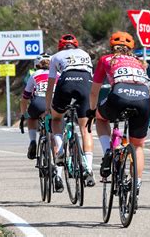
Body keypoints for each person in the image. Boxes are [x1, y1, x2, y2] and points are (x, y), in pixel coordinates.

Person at [88, 31, 150, 197]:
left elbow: (94, 92)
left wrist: (92, 111)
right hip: (143, 99)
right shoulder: (140, 62)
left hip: (119, 96)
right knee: (138, 146)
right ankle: (136, 183)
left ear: (112, 47)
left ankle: (109, 150)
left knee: (100, 119)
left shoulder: (106, 60)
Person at [45, 33, 95, 189]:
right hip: (85, 83)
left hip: (66, 82)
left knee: (57, 119)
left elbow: (51, 84)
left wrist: (48, 107)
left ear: (61, 46)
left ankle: (60, 150)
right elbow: (91, 79)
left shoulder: (55, 57)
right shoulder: (85, 54)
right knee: (86, 130)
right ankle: (88, 168)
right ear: (76, 45)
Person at [20, 54, 55, 160]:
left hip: (38, 102)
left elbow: (25, 97)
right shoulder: (57, 74)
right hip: (53, 103)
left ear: (36, 65)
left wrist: (24, 114)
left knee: (31, 117)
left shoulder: (34, 74)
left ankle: (33, 141)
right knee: (57, 125)